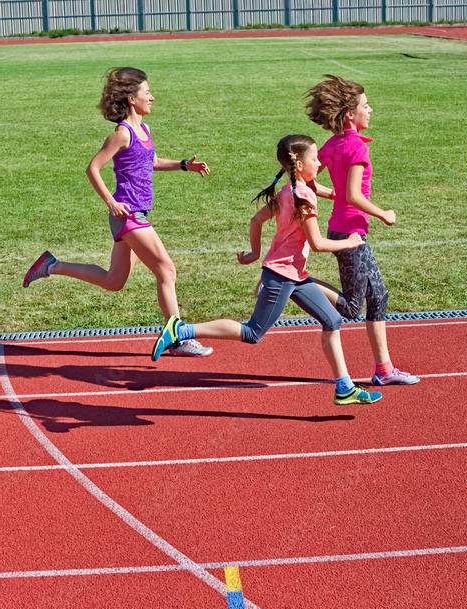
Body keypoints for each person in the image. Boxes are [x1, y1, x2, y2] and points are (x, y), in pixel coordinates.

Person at [151, 135, 382, 406]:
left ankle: (344, 387)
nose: (320, 164)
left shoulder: (288, 191)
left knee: (332, 320)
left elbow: (257, 219)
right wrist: (350, 242)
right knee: (253, 332)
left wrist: (255, 252)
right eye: (315, 159)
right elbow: (318, 244)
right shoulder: (302, 198)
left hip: (295, 274)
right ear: (298, 165)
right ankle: (181, 331)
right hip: (283, 275)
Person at [23, 67, 212, 357]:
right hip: (129, 214)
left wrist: (185, 164)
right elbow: (93, 168)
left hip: (137, 213)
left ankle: (51, 265)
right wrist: (111, 201)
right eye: (147, 92)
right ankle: (177, 337)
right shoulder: (121, 134)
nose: (152, 97)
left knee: (114, 281)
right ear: (131, 99)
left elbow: (152, 161)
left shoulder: (143, 130)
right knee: (166, 269)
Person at [304, 74, 420, 386]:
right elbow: (355, 196)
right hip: (349, 234)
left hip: (345, 229)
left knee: (378, 295)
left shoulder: (330, 146)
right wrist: (384, 214)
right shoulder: (357, 149)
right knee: (354, 307)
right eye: (367, 106)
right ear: (351, 115)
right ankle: (297, 283)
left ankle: (384, 370)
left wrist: (331, 193)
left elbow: (311, 181)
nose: (372, 111)